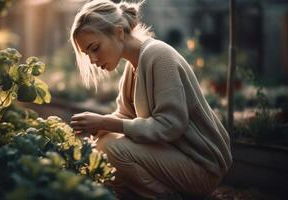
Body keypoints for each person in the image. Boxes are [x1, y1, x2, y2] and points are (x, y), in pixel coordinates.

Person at [69, 0, 232, 199]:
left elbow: (170, 125)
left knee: (111, 148)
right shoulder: (132, 67)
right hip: (172, 157)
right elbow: (124, 115)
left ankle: (165, 196)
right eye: (88, 54)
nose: (93, 60)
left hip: (201, 167)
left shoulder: (159, 56)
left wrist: (107, 122)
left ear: (118, 32)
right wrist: (98, 127)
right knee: (102, 144)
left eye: (95, 48)